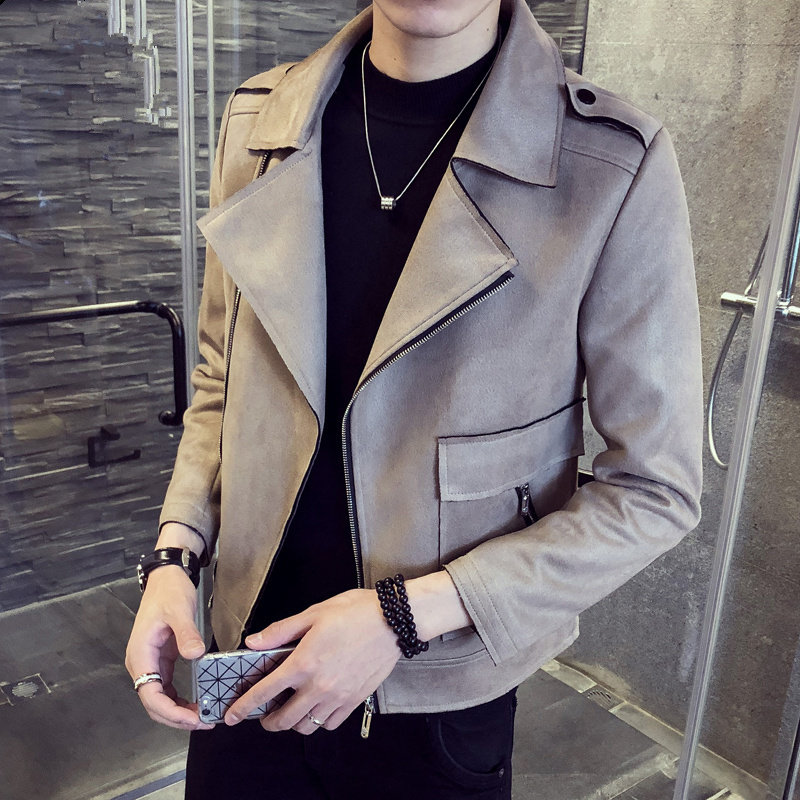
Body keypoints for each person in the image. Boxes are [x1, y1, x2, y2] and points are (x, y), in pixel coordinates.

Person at [125, 0, 703, 797]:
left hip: (432, 696)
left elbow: (655, 489)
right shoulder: (261, 121)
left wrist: (404, 615)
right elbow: (224, 381)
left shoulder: (610, 165)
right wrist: (175, 555)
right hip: (245, 665)